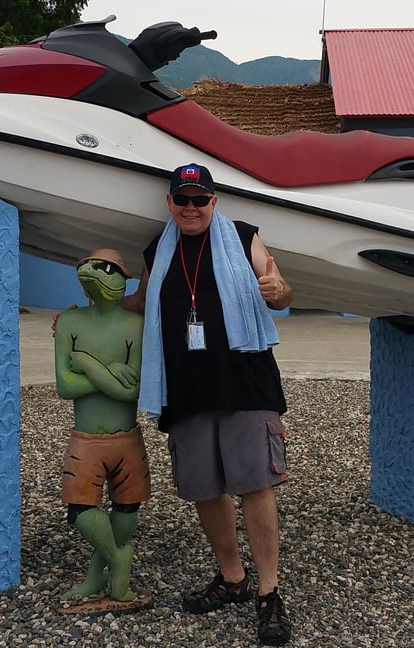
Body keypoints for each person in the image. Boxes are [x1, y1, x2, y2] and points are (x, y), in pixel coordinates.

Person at [123, 163, 293, 646]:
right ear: (171, 203)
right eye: (183, 199)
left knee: (256, 485)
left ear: (214, 202)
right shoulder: (158, 249)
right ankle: (232, 577)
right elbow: (140, 300)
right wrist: (93, 310)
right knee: (205, 488)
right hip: (186, 388)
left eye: (201, 200)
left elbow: (280, 289)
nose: (191, 208)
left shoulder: (243, 237)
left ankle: (269, 593)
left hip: (245, 381)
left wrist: (279, 291)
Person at [53, 248, 147, 603]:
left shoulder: (134, 326)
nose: (94, 272)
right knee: (79, 509)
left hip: (127, 437)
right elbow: (65, 387)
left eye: (107, 268)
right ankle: (118, 558)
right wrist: (111, 375)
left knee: (127, 507)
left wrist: (87, 365)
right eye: (86, 266)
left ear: (123, 280)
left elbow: (134, 390)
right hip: (85, 438)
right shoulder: (69, 323)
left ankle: (97, 575)